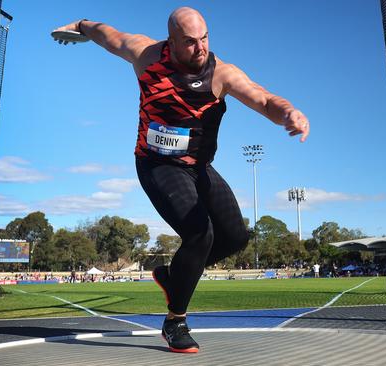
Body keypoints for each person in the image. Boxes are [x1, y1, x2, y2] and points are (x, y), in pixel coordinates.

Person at [54, 7, 310, 353]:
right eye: (190, 42)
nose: (200, 48)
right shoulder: (145, 55)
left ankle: (171, 277)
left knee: (235, 238)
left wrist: (289, 113)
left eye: (204, 38)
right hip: (156, 164)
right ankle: (175, 321)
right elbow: (108, 35)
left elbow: (263, 99)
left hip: (199, 167)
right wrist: (81, 25)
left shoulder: (222, 74)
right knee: (199, 232)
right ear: (171, 41)